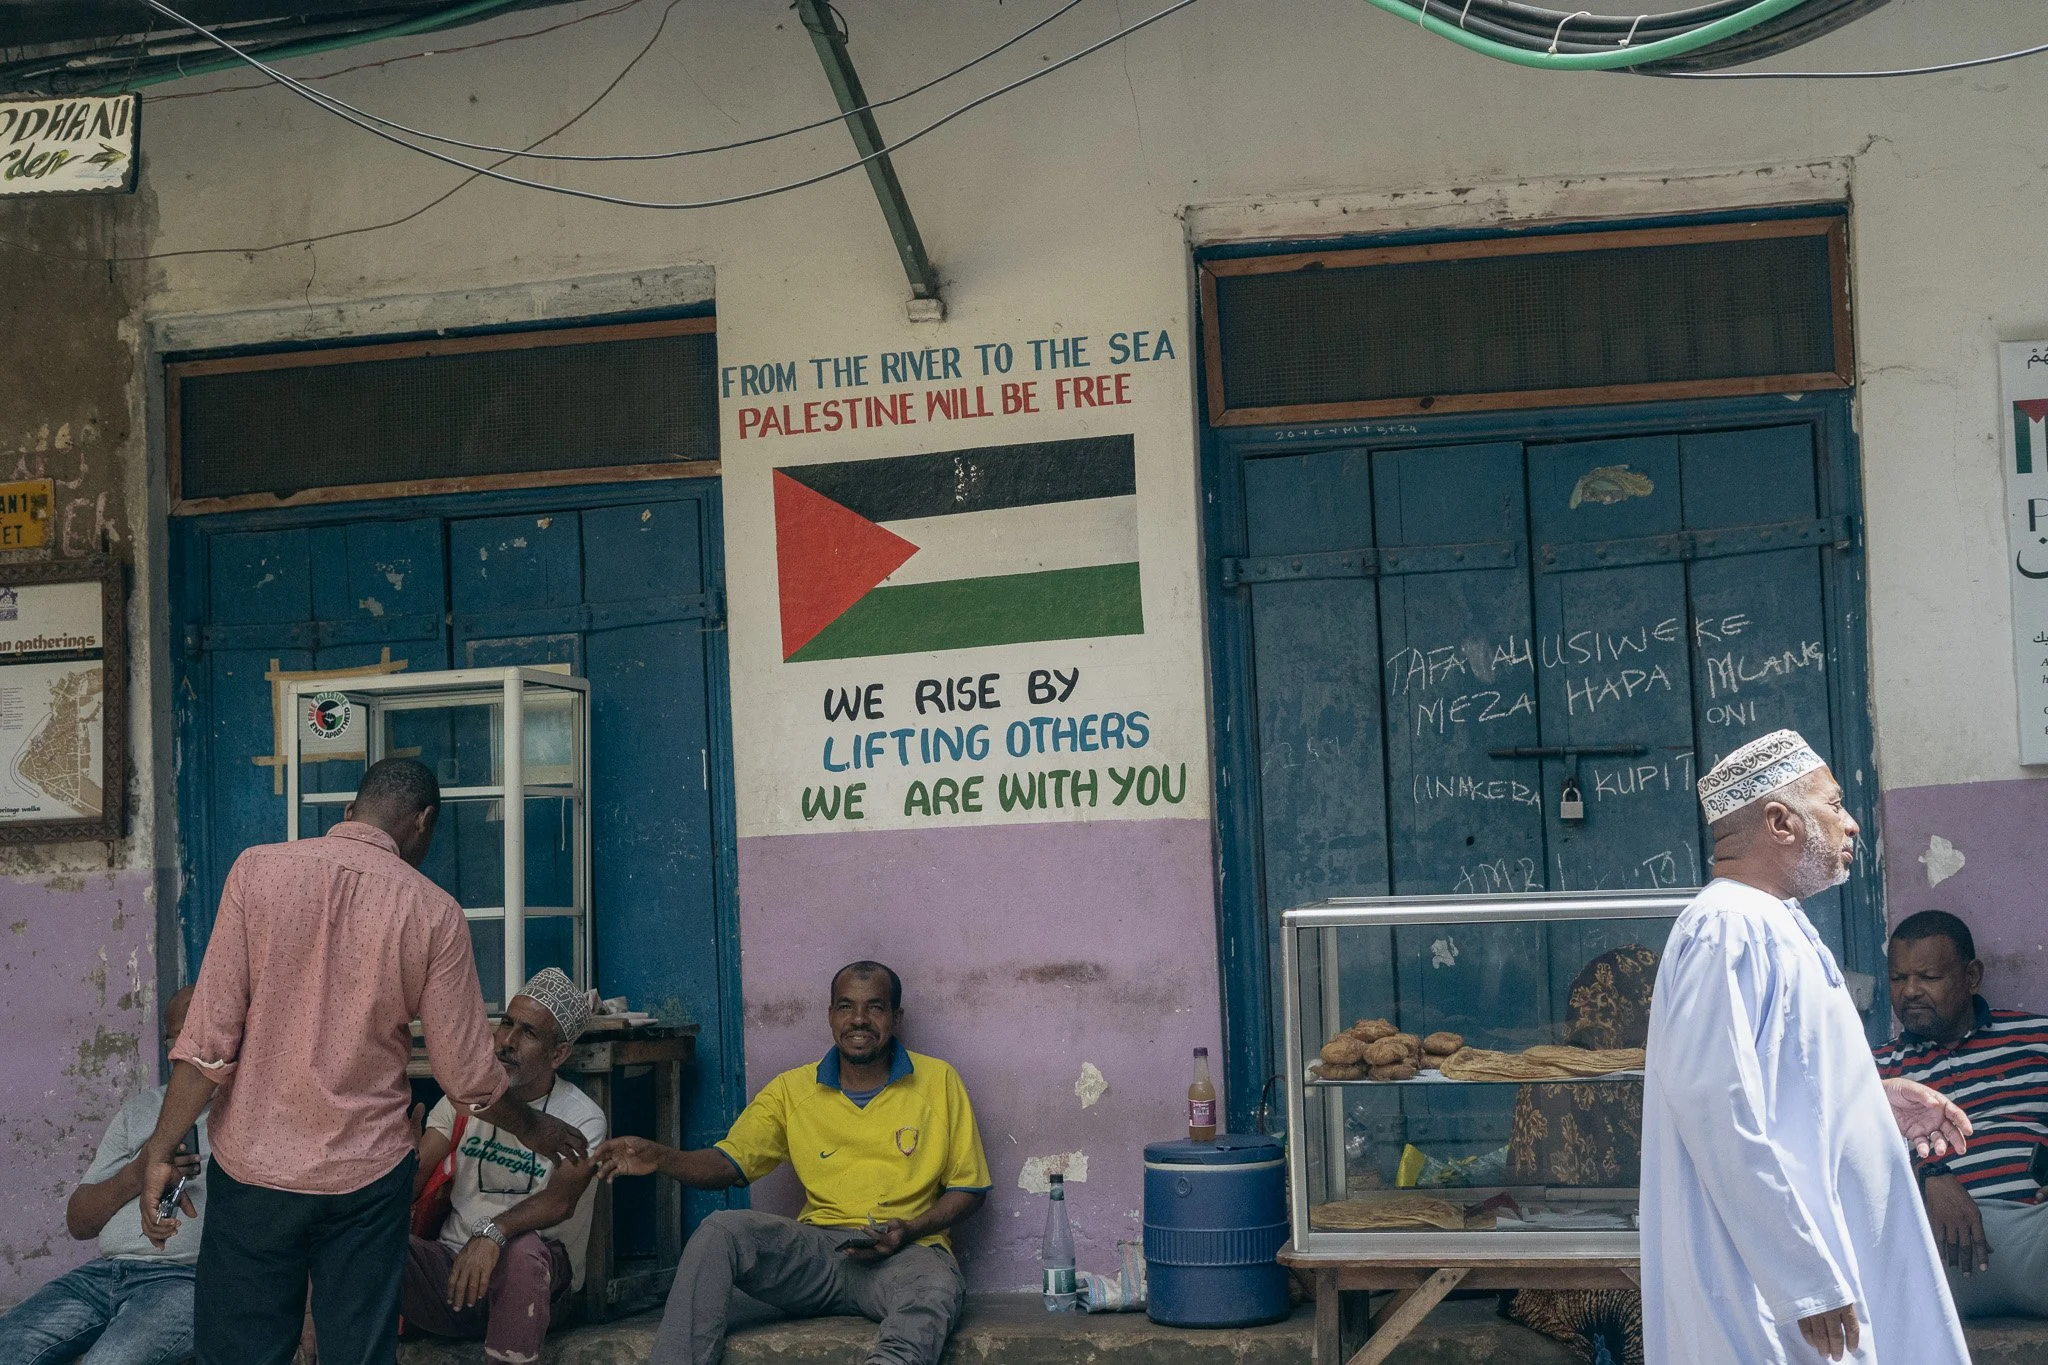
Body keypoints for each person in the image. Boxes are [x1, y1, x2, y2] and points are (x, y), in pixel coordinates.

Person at [134, 757, 591, 1365]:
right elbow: (468, 1081)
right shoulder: (434, 913)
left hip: (254, 1176)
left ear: (350, 811)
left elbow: (207, 1043)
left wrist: (162, 1149)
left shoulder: (257, 872)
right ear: (424, 821)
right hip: (366, 1183)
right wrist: (532, 1127)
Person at [1641, 729, 1973, 1364]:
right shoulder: (1728, 927)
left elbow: (1780, 1085)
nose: (1850, 825)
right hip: (1769, 1291)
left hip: (1813, 1274)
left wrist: (1871, 1100)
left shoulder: (1773, 919)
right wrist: (1803, 1282)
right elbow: (1717, 1107)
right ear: (1779, 821)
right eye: (1834, 804)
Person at [593, 961, 990, 1365]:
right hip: (819, 1256)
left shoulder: (938, 1081)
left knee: (934, 1291)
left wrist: (910, 1230)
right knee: (719, 1230)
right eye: (845, 1006)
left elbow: (970, 1190)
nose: (858, 1020)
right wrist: (661, 1156)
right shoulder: (792, 1089)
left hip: (908, 1255)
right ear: (830, 1015)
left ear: (896, 1017)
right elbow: (728, 1164)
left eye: (875, 1008)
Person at [401, 967, 608, 1359]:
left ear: (558, 1053)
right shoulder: (464, 1100)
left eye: (528, 1032)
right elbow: (415, 1179)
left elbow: (560, 1202)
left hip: (538, 1283)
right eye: (506, 1024)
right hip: (453, 1272)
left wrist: (492, 1233)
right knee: (365, 1240)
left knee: (523, 1252)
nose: (507, 1041)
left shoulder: (582, 1117)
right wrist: (400, 1165)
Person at [0, 988, 207, 1365]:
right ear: (167, 1046)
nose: (190, 1050)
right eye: (179, 1039)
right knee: (8, 1346)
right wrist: (142, 1168)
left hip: (185, 1280)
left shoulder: (246, 1116)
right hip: (101, 1275)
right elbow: (79, 1221)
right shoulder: (141, 1110)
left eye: (201, 1035)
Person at [1874, 909, 2048, 1318]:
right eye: (1899, 979)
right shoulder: (1875, 1069)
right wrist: (1929, 1175)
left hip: (2034, 1230)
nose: (1910, 991)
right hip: (1934, 1250)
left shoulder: (2037, 1042)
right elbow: (1843, 1157)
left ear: (1971, 977)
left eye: (1928, 978)